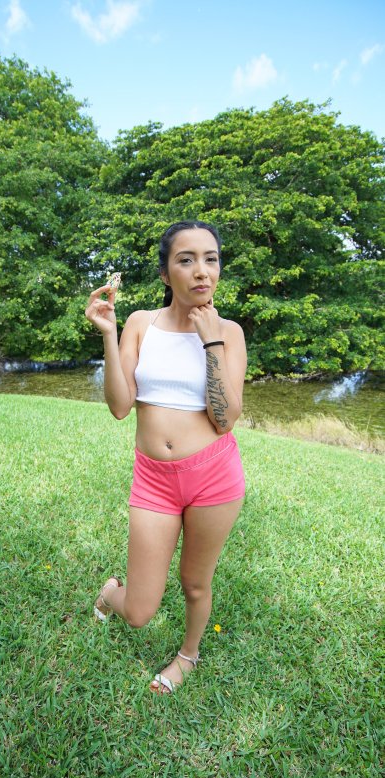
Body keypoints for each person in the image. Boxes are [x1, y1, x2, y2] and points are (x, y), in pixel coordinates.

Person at [84, 221, 247, 694]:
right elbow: (120, 407)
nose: (202, 271)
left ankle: (188, 655)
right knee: (138, 611)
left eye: (211, 259)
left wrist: (210, 341)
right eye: (186, 259)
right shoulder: (141, 323)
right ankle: (111, 593)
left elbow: (225, 419)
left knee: (195, 583)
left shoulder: (229, 332)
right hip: (154, 479)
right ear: (164, 273)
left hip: (214, 477)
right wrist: (109, 333)